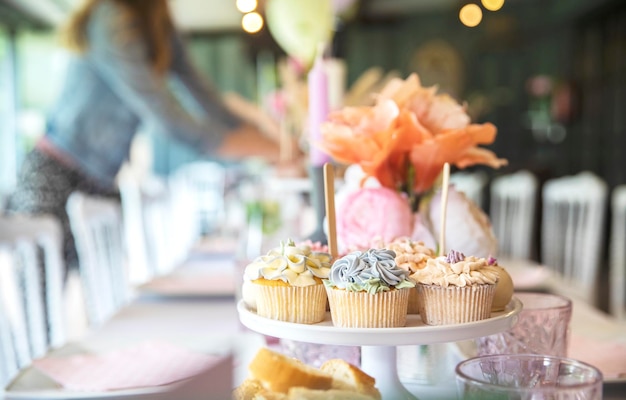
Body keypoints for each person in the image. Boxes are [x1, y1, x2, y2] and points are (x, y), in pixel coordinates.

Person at [5, 0, 283, 274]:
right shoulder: (109, 18)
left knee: (95, 305)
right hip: (54, 174)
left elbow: (208, 101)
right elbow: (169, 119)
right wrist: (274, 149)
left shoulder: (158, 26)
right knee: (46, 307)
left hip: (100, 180)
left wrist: (271, 138)